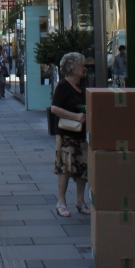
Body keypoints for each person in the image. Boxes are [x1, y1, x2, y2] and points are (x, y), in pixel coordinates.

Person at [50, 51, 90, 218]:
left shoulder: (82, 87)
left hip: (81, 134)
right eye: (81, 65)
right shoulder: (63, 86)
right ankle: (61, 202)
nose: (84, 68)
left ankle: (80, 201)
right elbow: (54, 108)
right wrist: (75, 116)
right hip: (66, 134)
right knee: (65, 168)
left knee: (82, 167)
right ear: (72, 68)